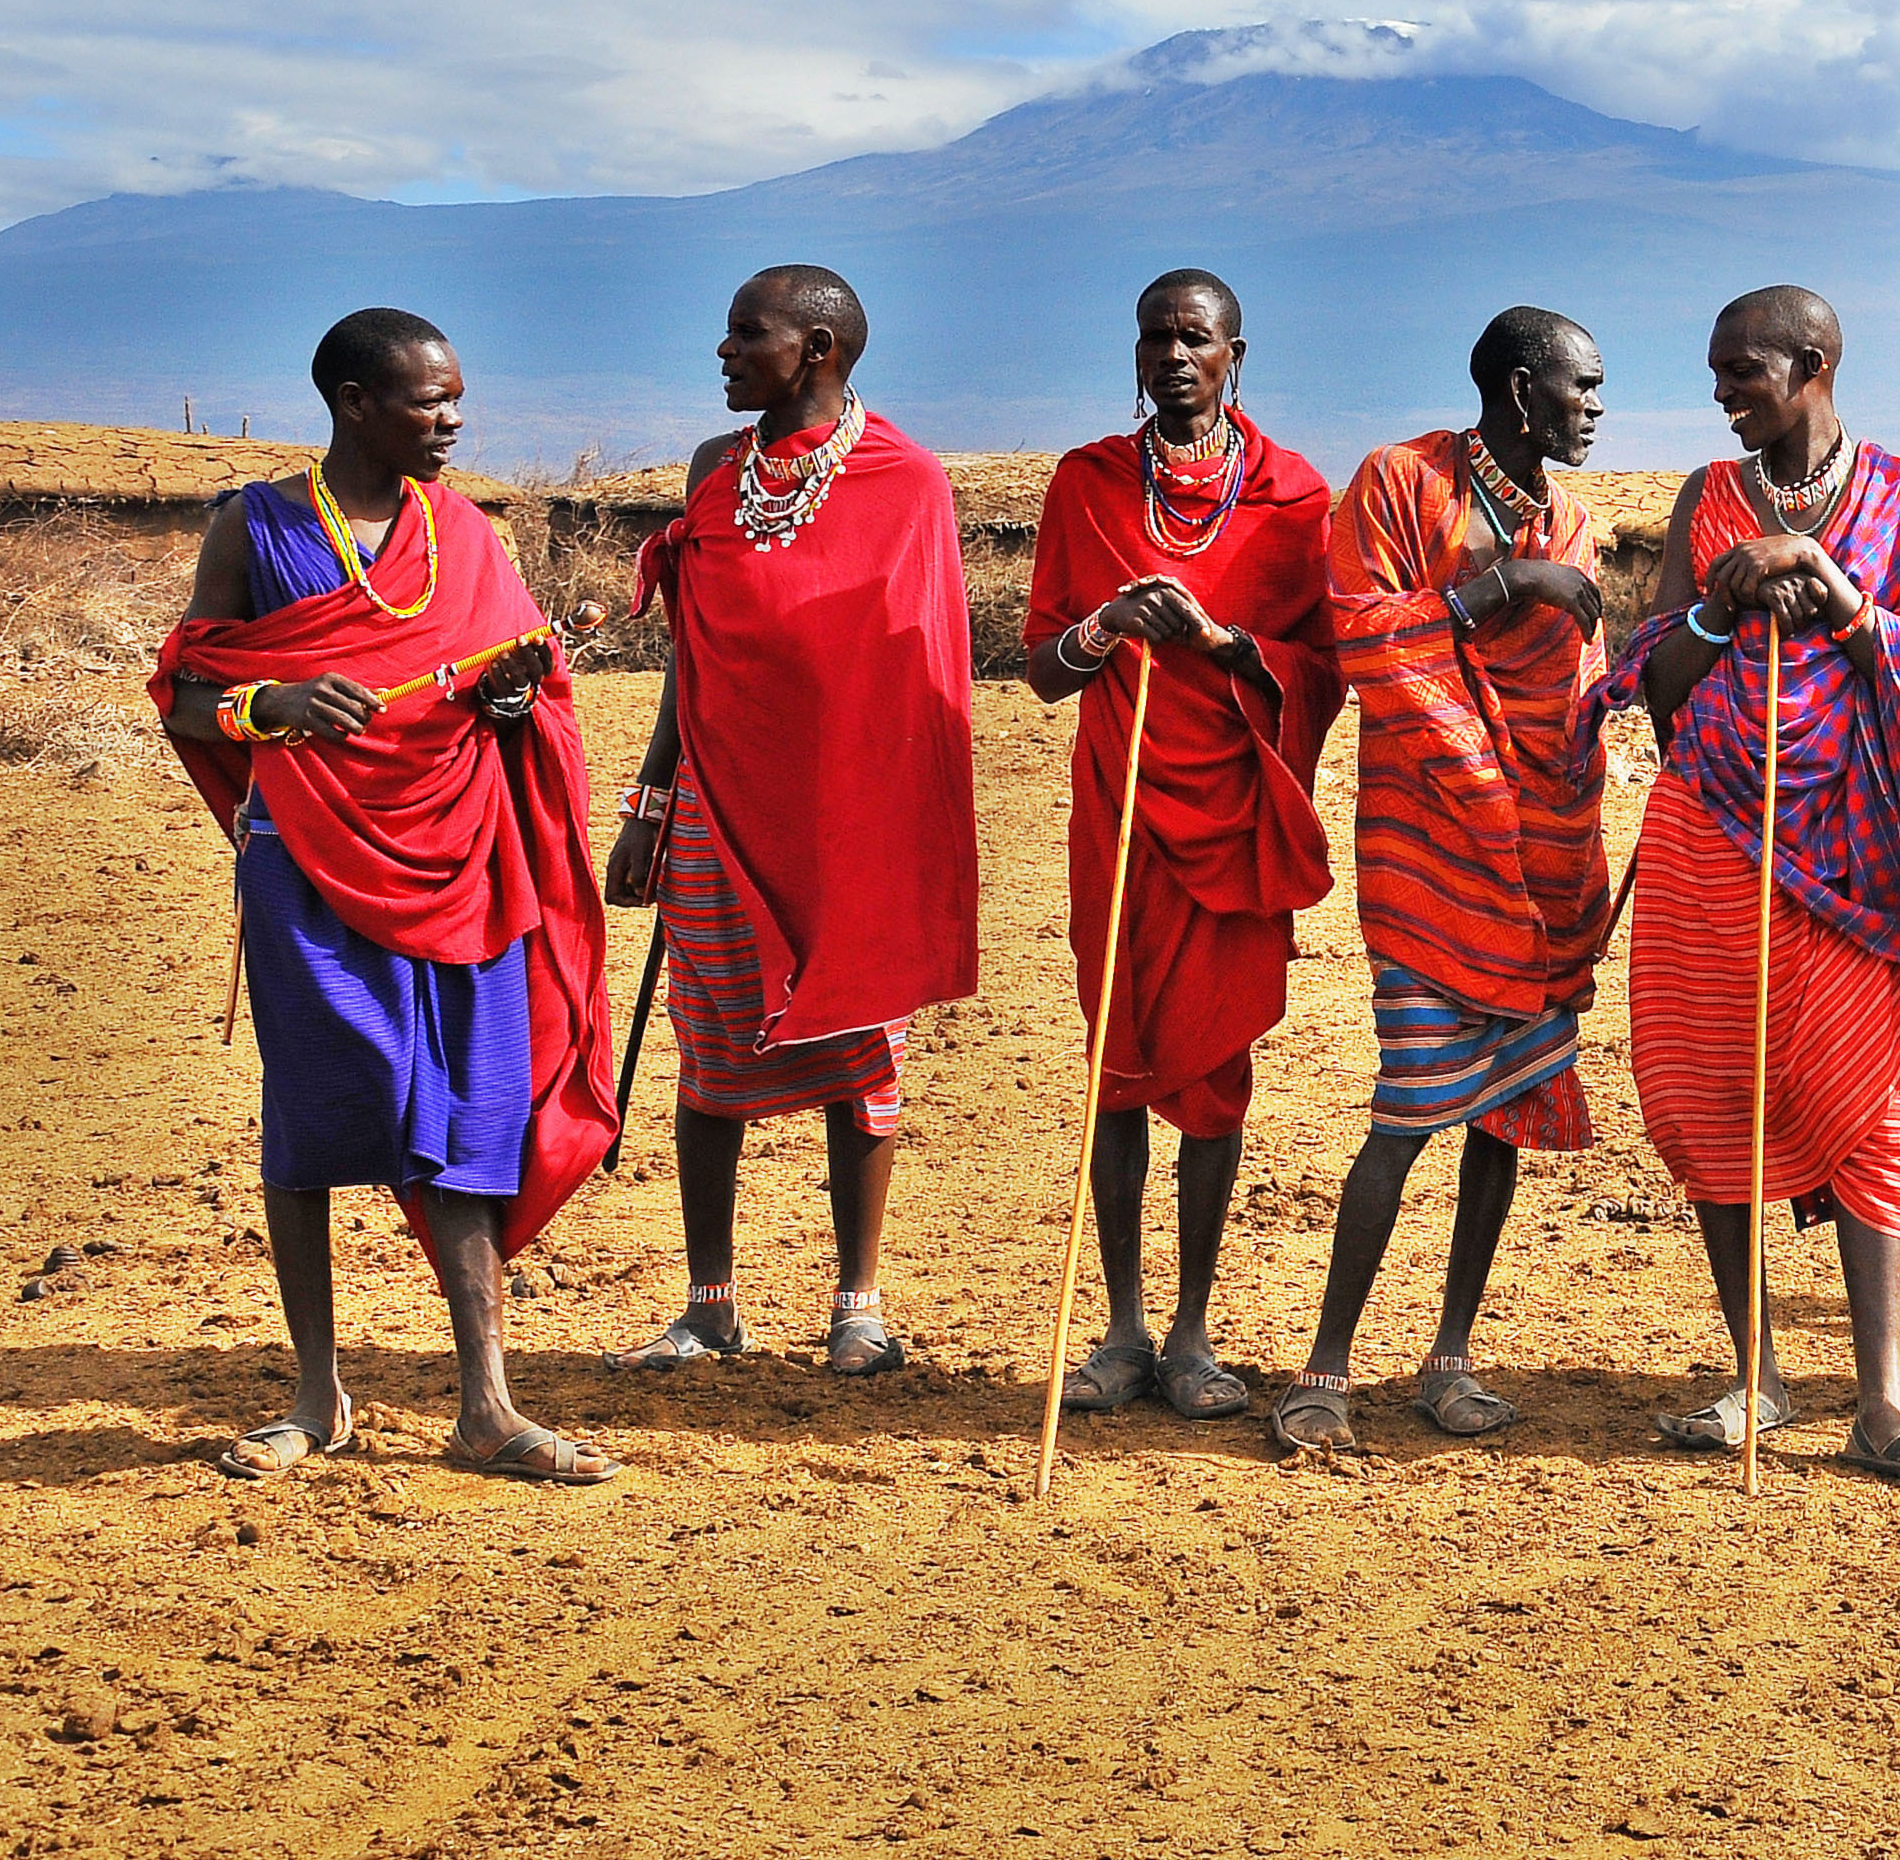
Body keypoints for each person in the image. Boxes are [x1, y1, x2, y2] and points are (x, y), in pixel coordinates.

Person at [154, 311, 622, 1483]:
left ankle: (488, 1406)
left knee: (465, 1110)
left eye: (457, 397)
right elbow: (187, 697)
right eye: (429, 400)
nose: (453, 419)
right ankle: (316, 1397)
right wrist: (273, 703)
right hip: (306, 860)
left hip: (461, 856)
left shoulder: (464, 534)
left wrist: (513, 700)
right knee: (315, 1107)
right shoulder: (256, 527)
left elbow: (511, 689)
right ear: (355, 403)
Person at [1585, 284, 1900, 1490]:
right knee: (1704, 1086)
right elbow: (1658, 680)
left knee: (1863, 1102)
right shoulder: (1706, 500)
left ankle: (1879, 1401)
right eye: (1717, 373)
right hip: (1709, 829)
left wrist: (1839, 593)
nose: (1721, 393)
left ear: (1813, 365)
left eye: (1742, 372)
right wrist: (1721, 605)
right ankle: (1756, 1371)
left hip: (1855, 847)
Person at [608, 265, 981, 1379]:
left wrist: (899, 827)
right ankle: (710, 1304)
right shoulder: (713, 470)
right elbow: (694, 649)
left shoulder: (905, 478)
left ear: (815, 350)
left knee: (858, 1046)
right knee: (710, 1043)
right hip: (717, 804)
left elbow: (924, 670)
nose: (723, 351)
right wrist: (649, 803)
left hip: (847, 816)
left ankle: (857, 1305)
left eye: (745, 333)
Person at [1273, 308, 1616, 1455]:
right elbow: (1362, 637)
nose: (1595, 409)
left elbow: (1576, 698)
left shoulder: (1572, 520)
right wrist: (1501, 584)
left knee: (1503, 1111)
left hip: (1541, 858)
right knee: (1409, 1106)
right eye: (1581, 387)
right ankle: (1324, 1365)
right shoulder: (1400, 482)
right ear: (1520, 390)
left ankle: (1449, 1357)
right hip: (1427, 846)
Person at [1029, 272, 1342, 1426]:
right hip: (1118, 815)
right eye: (1153, 335)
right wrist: (1105, 624)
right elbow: (1041, 667)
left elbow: (1323, 670)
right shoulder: (1088, 484)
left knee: (1214, 1070)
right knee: (1118, 1058)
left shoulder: (1293, 498)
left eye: (1194, 337)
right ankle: (1120, 1328)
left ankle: (1195, 1328)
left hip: (1234, 821)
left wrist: (1222, 641)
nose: (1172, 354)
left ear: (1234, 357)